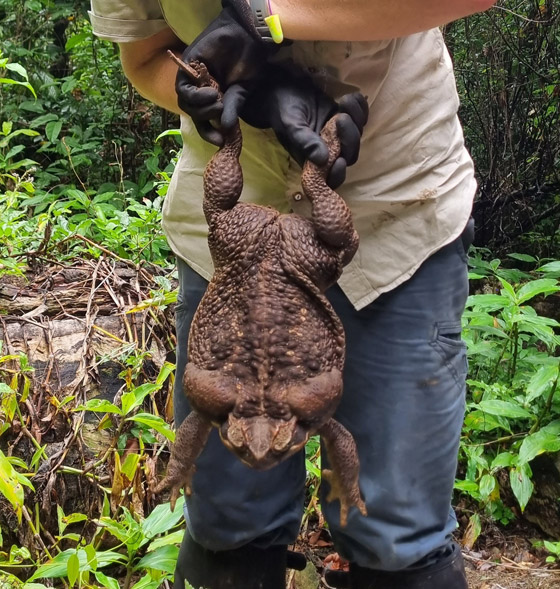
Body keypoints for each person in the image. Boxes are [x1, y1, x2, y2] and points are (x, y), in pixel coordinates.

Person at [89, 1, 496, 587]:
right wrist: (209, 94)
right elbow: (144, 56)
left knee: (397, 531)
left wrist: (270, 17)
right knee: (227, 524)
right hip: (232, 239)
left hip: (394, 206)